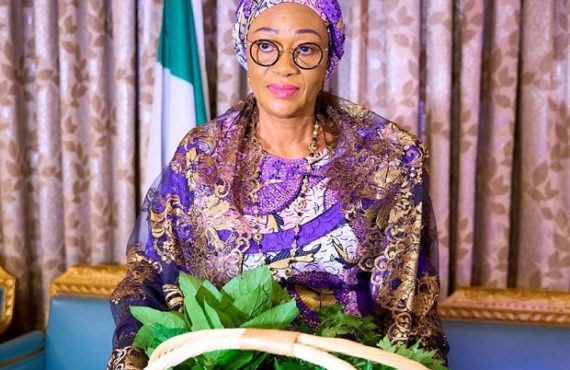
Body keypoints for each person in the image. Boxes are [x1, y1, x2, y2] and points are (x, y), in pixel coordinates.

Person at [107, 1, 449, 368]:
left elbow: (409, 308)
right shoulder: (201, 157)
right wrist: (134, 357)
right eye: (266, 47)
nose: (284, 66)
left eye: (305, 49)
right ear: (245, 54)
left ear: (329, 59)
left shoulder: (387, 161)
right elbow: (150, 278)